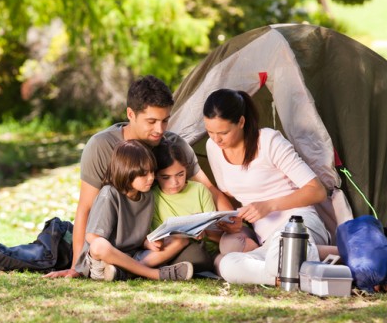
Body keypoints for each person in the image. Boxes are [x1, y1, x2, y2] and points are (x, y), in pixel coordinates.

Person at [44, 75, 232, 279]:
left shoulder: (173, 145)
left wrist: (233, 223)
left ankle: (125, 269)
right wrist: (76, 268)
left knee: (195, 255)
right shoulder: (101, 147)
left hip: (149, 241)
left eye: (165, 120)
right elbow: (85, 208)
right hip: (114, 239)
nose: (160, 130)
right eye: (151, 121)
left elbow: (210, 190)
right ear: (131, 114)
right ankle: (143, 271)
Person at [203, 88, 335, 285]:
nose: (216, 139)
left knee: (279, 251)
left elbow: (316, 191)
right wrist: (239, 219)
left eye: (223, 132)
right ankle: (284, 275)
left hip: (299, 223)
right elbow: (234, 192)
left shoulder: (268, 141)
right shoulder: (213, 148)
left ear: (241, 122)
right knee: (226, 262)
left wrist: (269, 206)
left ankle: (304, 261)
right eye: (210, 132)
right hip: (267, 241)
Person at [73, 139, 193, 281]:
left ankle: (125, 272)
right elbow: (92, 237)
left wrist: (147, 243)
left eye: (152, 172)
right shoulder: (109, 194)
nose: (151, 178)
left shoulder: (148, 196)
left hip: (133, 255)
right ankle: (155, 274)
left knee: (181, 240)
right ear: (126, 172)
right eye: (143, 174)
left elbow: (138, 236)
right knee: (99, 245)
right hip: (101, 261)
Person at [149, 140, 259, 273]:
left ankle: (258, 251)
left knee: (230, 245)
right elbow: (160, 239)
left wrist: (203, 229)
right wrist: (187, 235)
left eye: (180, 174)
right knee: (222, 265)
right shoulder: (154, 198)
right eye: (166, 177)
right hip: (195, 252)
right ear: (155, 176)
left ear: (186, 170)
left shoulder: (199, 189)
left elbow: (215, 233)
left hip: (220, 242)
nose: (175, 183)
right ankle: (250, 261)